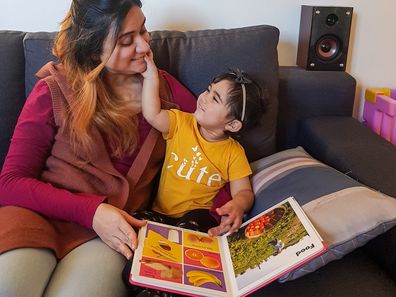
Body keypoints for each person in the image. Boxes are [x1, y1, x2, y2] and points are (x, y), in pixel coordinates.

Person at [0, 1, 206, 296]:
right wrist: (92, 211)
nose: (144, 46)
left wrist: (232, 200)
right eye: (126, 41)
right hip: (39, 214)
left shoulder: (166, 91)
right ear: (95, 49)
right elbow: (9, 183)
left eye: (144, 30)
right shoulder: (54, 89)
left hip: (109, 235)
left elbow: (212, 144)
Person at [136, 51, 265, 235]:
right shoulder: (180, 122)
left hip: (197, 217)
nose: (204, 97)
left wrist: (238, 205)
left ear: (233, 124)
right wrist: (151, 77)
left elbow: (244, 192)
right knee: (135, 220)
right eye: (208, 89)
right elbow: (152, 114)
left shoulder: (233, 153)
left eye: (215, 98)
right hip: (161, 214)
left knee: (194, 226)